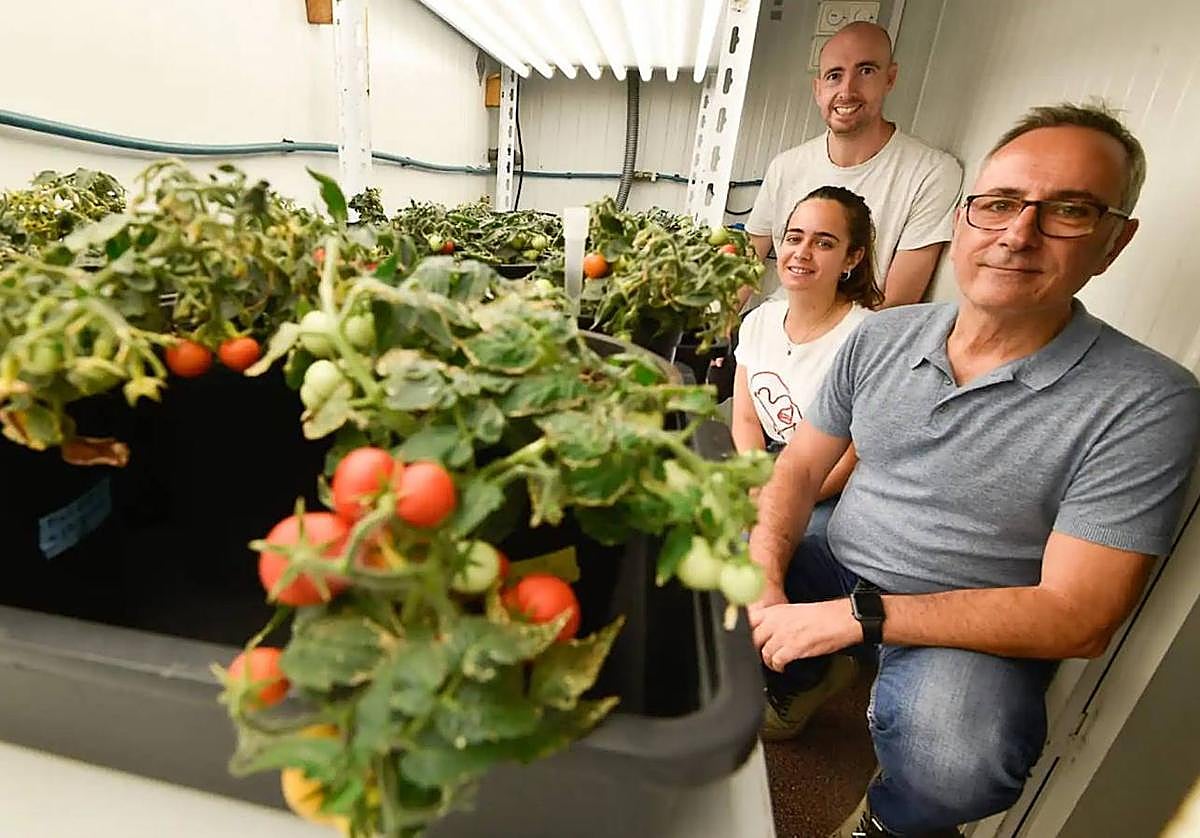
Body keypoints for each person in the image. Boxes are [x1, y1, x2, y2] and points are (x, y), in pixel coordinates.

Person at [747, 102, 1200, 838]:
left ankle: (889, 823)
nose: (1018, 233)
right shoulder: (883, 337)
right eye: (999, 205)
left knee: (959, 756)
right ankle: (803, 675)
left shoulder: (1146, 400)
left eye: (1069, 212)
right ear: (964, 218)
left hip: (972, 621)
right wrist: (765, 577)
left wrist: (857, 619)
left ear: (1115, 241)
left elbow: (1078, 615)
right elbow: (797, 471)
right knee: (717, 576)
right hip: (844, 555)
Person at [744, 21, 963, 308]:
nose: (847, 90)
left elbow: (897, 304)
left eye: (866, 71)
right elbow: (745, 264)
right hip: (776, 326)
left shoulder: (931, 173)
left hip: (856, 342)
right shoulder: (786, 167)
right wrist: (711, 333)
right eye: (834, 76)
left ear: (890, 78)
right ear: (818, 88)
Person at [732, 186, 882, 538]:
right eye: (794, 238)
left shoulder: (868, 338)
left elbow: (852, 456)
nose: (801, 253)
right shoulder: (760, 320)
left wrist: (780, 498)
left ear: (852, 258)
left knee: (758, 545)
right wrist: (757, 482)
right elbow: (746, 417)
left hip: (829, 485)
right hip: (765, 463)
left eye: (824, 243)